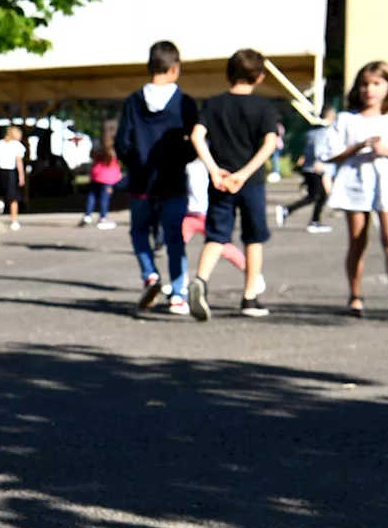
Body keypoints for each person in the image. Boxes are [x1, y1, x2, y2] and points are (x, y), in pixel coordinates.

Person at [188, 48, 281, 321]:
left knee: (217, 235)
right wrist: (244, 173)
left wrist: (214, 170)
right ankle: (249, 297)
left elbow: (197, 136)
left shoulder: (213, 104)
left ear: (229, 74)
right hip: (250, 181)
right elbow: (269, 143)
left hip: (221, 181)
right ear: (260, 77)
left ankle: (201, 281)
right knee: (254, 237)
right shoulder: (264, 107)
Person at [327, 61, 388, 319]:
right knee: (358, 241)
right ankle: (355, 296)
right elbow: (332, 153)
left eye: (376, 84)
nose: (370, 90)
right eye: (365, 84)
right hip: (356, 182)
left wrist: (385, 151)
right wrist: (358, 146)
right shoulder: (347, 119)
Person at [114, 40, 197, 311]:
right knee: (174, 237)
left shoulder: (133, 102)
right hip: (172, 181)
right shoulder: (184, 102)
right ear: (175, 68)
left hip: (140, 182)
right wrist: (182, 159)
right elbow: (194, 141)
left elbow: (122, 143)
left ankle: (149, 273)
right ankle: (177, 294)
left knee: (139, 232)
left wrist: (134, 163)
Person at [179, 159, 262, 316]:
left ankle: (183, 285)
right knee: (223, 246)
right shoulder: (203, 165)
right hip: (195, 215)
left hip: (195, 214)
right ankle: (254, 277)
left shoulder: (195, 166)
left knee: (219, 246)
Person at [276, 108, 337, 233]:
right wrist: (318, 161)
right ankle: (312, 221)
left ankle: (289, 211)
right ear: (331, 116)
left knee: (315, 196)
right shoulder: (325, 131)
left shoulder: (312, 131)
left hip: (309, 167)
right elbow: (319, 148)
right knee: (318, 196)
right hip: (315, 167)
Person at [0, 126, 26, 231]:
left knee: (0, 190)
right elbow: (19, 162)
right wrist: (22, 175)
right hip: (11, 172)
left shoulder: (0, 144)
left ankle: (0, 201)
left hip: (0, 171)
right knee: (13, 198)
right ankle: (14, 220)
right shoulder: (17, 146)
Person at [79, 146, 122, 229]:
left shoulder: (98, 155)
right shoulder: (111, 158)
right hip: (107, 181)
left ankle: (88, 215)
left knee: (92, 197)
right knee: (104, 199)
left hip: (96, 178)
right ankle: (102, 218)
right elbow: (116, 171)